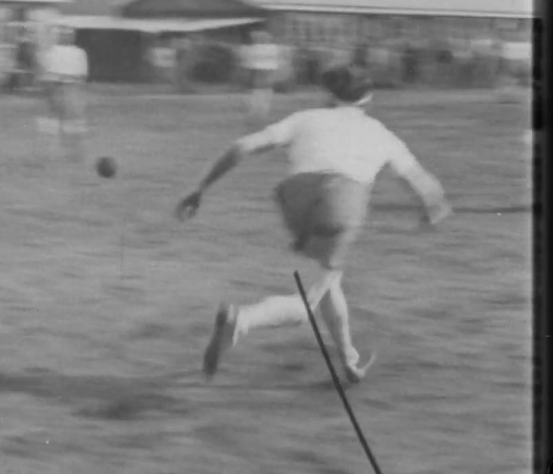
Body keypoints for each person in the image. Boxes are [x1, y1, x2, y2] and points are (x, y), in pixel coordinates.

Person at [175, 65, 453, 383]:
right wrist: (433, 207)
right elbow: (423, 184)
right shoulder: (379, 132)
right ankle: (241, 320)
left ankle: (349, 359)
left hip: (294, 197)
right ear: (368, 99)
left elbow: (242, 146)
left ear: (328, 95)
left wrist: (200, 189)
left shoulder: (305, 118)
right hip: (342, 200)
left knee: (327, 278)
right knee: (307, 303)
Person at [36, 25, 90, 161]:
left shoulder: (77, 53)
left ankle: (74, 153)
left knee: (70, 122)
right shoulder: (52, 52)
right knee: (57, 121)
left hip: (68, 86)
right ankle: (50, 152)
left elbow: (82, 75)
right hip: (59, 86)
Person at [239, 30, 281, 120]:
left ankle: (258, 109)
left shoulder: (254, 49)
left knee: (260, 89)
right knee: (261, 89)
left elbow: (245, 57)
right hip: (263, 69)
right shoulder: (273, 48)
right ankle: (259, 109)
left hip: (260, 69)